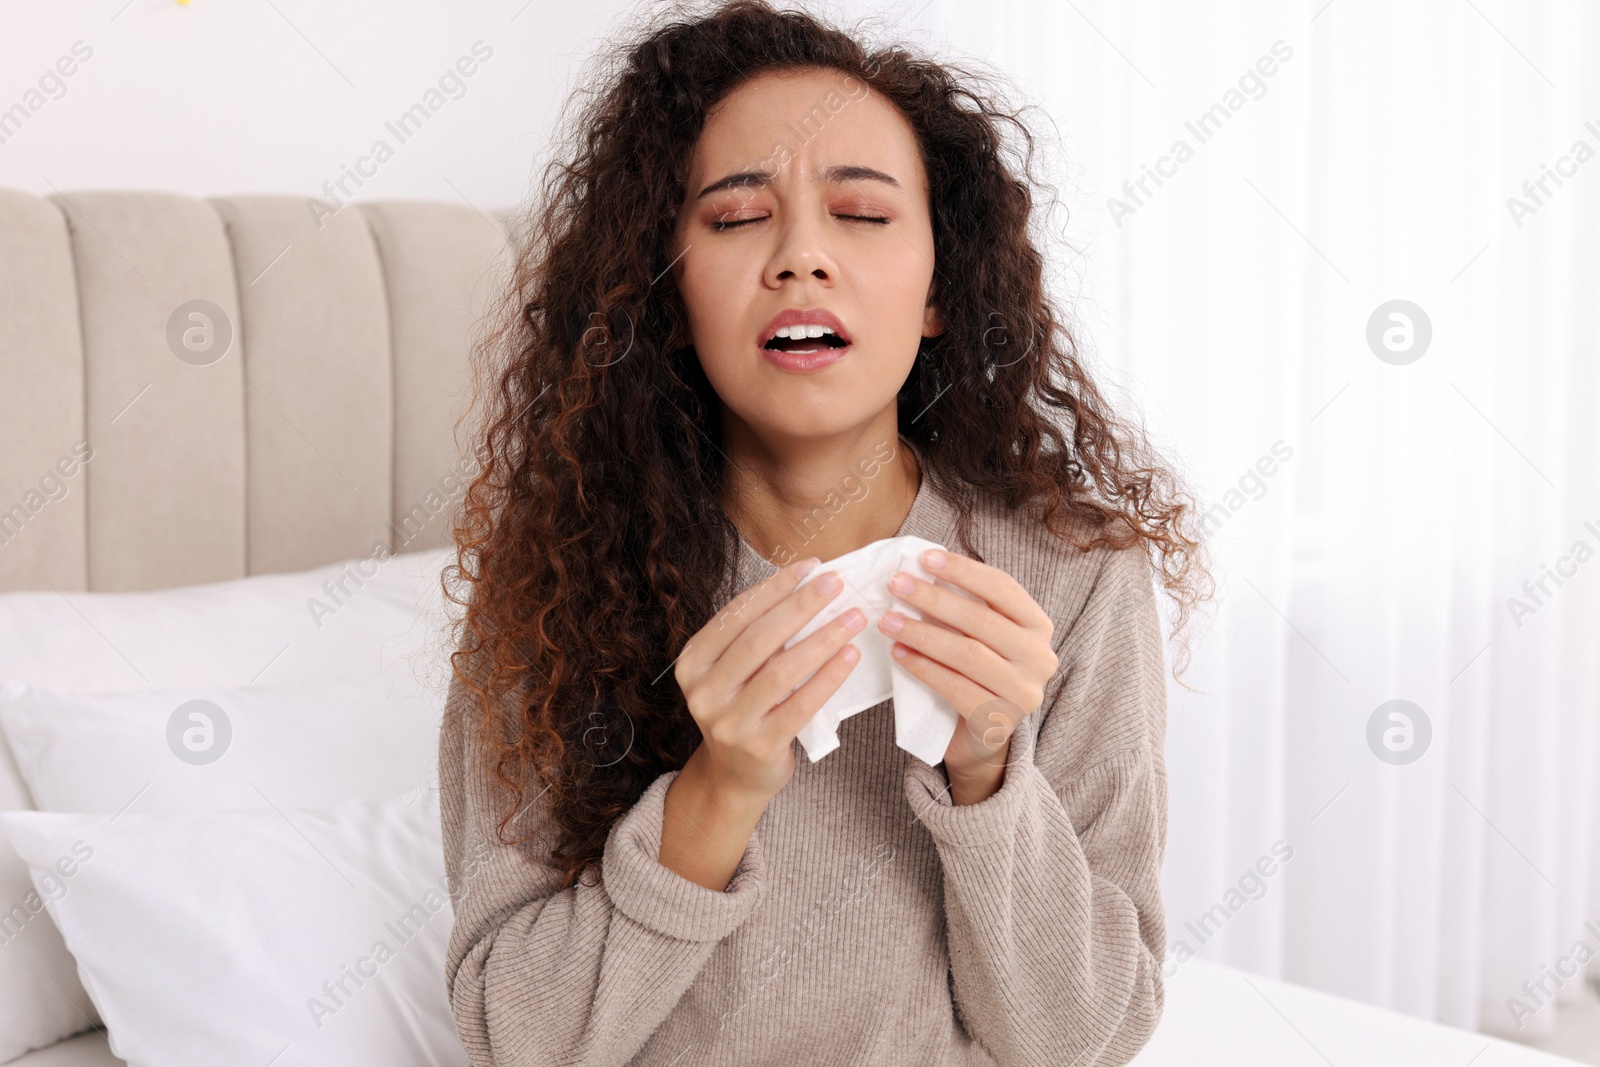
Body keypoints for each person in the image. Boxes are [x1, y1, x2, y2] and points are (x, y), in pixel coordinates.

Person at [437, 2, 1211, 1064]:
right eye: (734, 217)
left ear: (940, 286)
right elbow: (507, 1038)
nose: (800, 254)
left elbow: (1081, 1034)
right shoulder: (560, 581)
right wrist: (717, 789)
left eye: (859, 211)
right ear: (668, 294)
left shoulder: (1073, 576)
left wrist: (987, 774)